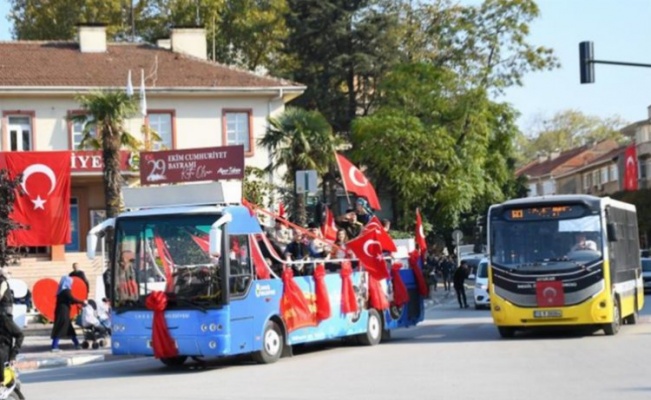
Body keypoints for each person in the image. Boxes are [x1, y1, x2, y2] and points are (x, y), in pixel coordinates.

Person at [0, 267, 23, 395]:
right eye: (8, 272)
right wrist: (14, 356)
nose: (10, 274)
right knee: (20, 334)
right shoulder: (3, 281)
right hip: (4, 317)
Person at [51, 276, 87, 352]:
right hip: (62, 312)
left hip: (63, 311)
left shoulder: (61, 291)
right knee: (61, 327)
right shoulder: (66, 291)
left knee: (69, 328)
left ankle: (77, 344)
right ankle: (54, 346)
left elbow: (70, 300)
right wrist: (82, 301)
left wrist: (79, 303)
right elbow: (72, 299)